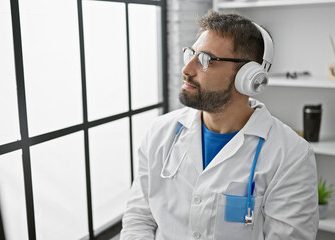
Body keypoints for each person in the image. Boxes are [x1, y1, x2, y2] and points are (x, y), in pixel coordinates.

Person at [120, 10, 318, 240]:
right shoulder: (159, 132)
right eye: (190, 54)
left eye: (205, 59)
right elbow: (139, 218)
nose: (186, 70)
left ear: (248, 77)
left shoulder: (291, 155)